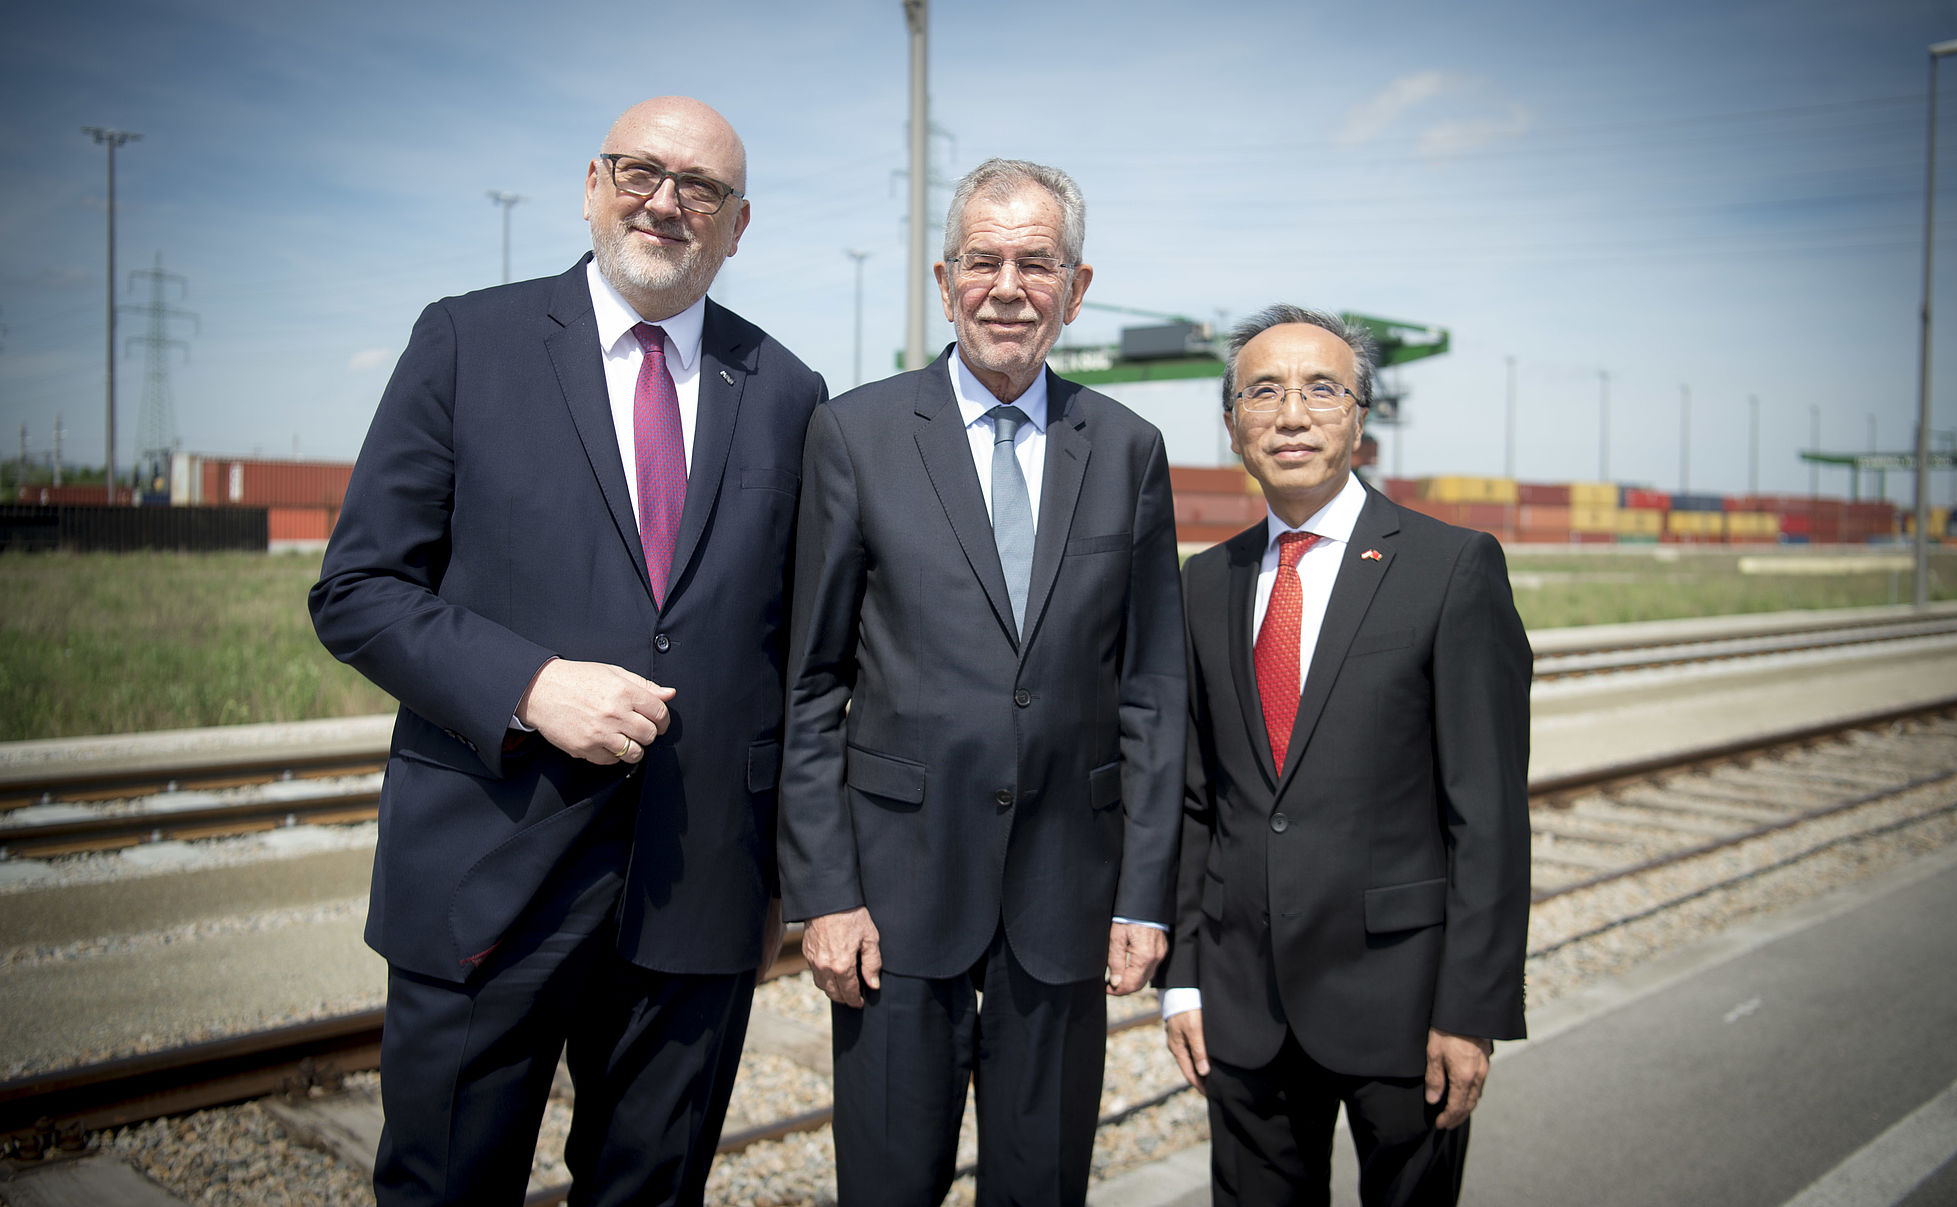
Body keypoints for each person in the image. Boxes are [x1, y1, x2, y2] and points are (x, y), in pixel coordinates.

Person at [308, 97, 827, 1206]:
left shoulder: (789, 392)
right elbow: (358, 589)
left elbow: (798, 651)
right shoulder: (467, 342)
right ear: (593, 185)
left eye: (702, 188)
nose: (666, 202)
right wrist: (531, 684)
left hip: (697, 892)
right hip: (489, 873)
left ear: (738, 226)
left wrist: (788, 874)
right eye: (641, 171)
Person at [778, 158, 1186, 1205]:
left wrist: (1145, 895)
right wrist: (826, 893)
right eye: (983, 260)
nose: (1008, 287)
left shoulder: (1128, 449)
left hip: (1065, 896)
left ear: (1076, 288)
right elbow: (812, 683)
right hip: (893, 899)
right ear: (944, 278)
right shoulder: (855, 434)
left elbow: (1150, 692)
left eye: (1036, 263)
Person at [1163, 305, 1531, 1207]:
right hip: (1244, 1009)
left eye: (1321, 390)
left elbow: (1487, 814)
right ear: (1232, 426)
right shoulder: (1204, 582)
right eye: (1263, 392)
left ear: (1361, 418)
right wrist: (1183, 980)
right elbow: (1198, 799)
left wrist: (1471, 1009)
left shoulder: (1451, 568)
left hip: (1406, 1009)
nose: (1291, 414)